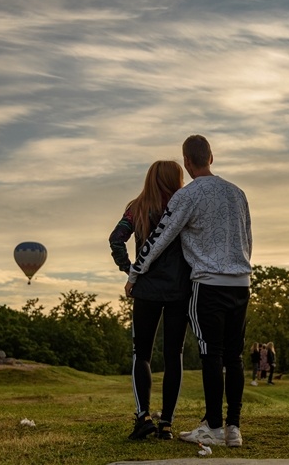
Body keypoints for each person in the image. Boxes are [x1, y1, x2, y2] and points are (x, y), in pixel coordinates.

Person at [126, 134, 252, 448]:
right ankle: (233, 428)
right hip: (241, 281)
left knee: (212, 355)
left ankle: (212, 425)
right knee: (234, 357)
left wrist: (135, 272)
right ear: (211, 156)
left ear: (186, 161)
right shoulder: (238, 193)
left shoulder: (188, 196)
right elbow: (247, 236)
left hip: (209, 283)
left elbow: (159, 237)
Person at [109, 160, 192, 441]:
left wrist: (129, 268)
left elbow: (115, 239)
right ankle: (166, 423)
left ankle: (143, 415)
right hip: (180, 290)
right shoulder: (183, 207)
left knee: (141, 354)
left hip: (146, 290)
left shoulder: (137, 207)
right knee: (173, 355)